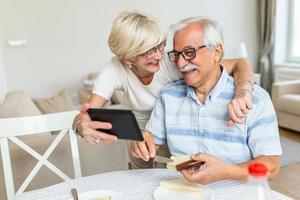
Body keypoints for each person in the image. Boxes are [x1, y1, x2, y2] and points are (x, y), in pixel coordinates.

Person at [73, 11, 254, 169]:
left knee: (172, 174)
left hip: (173, 126)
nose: (159, 55)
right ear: (128, 58)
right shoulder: (114, 69)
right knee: (141, 176)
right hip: (138, 132)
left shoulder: (171, 61)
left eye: (160, 45)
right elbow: (88, 114)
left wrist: (243, 93)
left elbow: (239, 64)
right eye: (149, 51)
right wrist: (82, 125)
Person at [131, 16, 282, 183]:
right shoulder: (168, 96)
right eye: (177, 54)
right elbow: (151, 140)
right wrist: (143, 143)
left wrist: (227, 171)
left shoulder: (256, 99)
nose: (180, 64)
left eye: (189, 52)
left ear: (216, 52)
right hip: (182, 193)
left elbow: (272, 165)